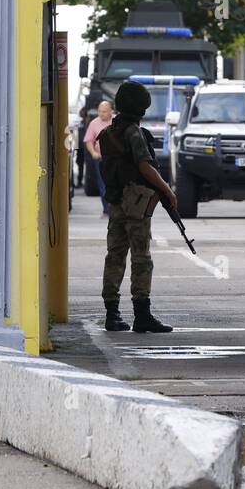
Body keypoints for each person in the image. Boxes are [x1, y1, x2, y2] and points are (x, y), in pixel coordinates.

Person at [99, 80, 179, 333]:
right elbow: (145, 166)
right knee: (141, 258)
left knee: (115, 257)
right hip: (135, 202)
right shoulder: (133, 132)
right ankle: (141, 315)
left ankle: (112, 314)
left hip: (115, 201)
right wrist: (167, 190)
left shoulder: (108, 132)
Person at [82, 100, 114, 215]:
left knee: (114, 183)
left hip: (115, 159)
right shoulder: (94, 123)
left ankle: (115, 207)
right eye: (99, 111)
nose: (101, 114)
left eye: (104, 112)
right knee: (102, 184)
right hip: (100, 158)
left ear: (111, 111)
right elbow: (89, 141)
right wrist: (93, 153)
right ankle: (106, 209)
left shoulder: (117, 122)